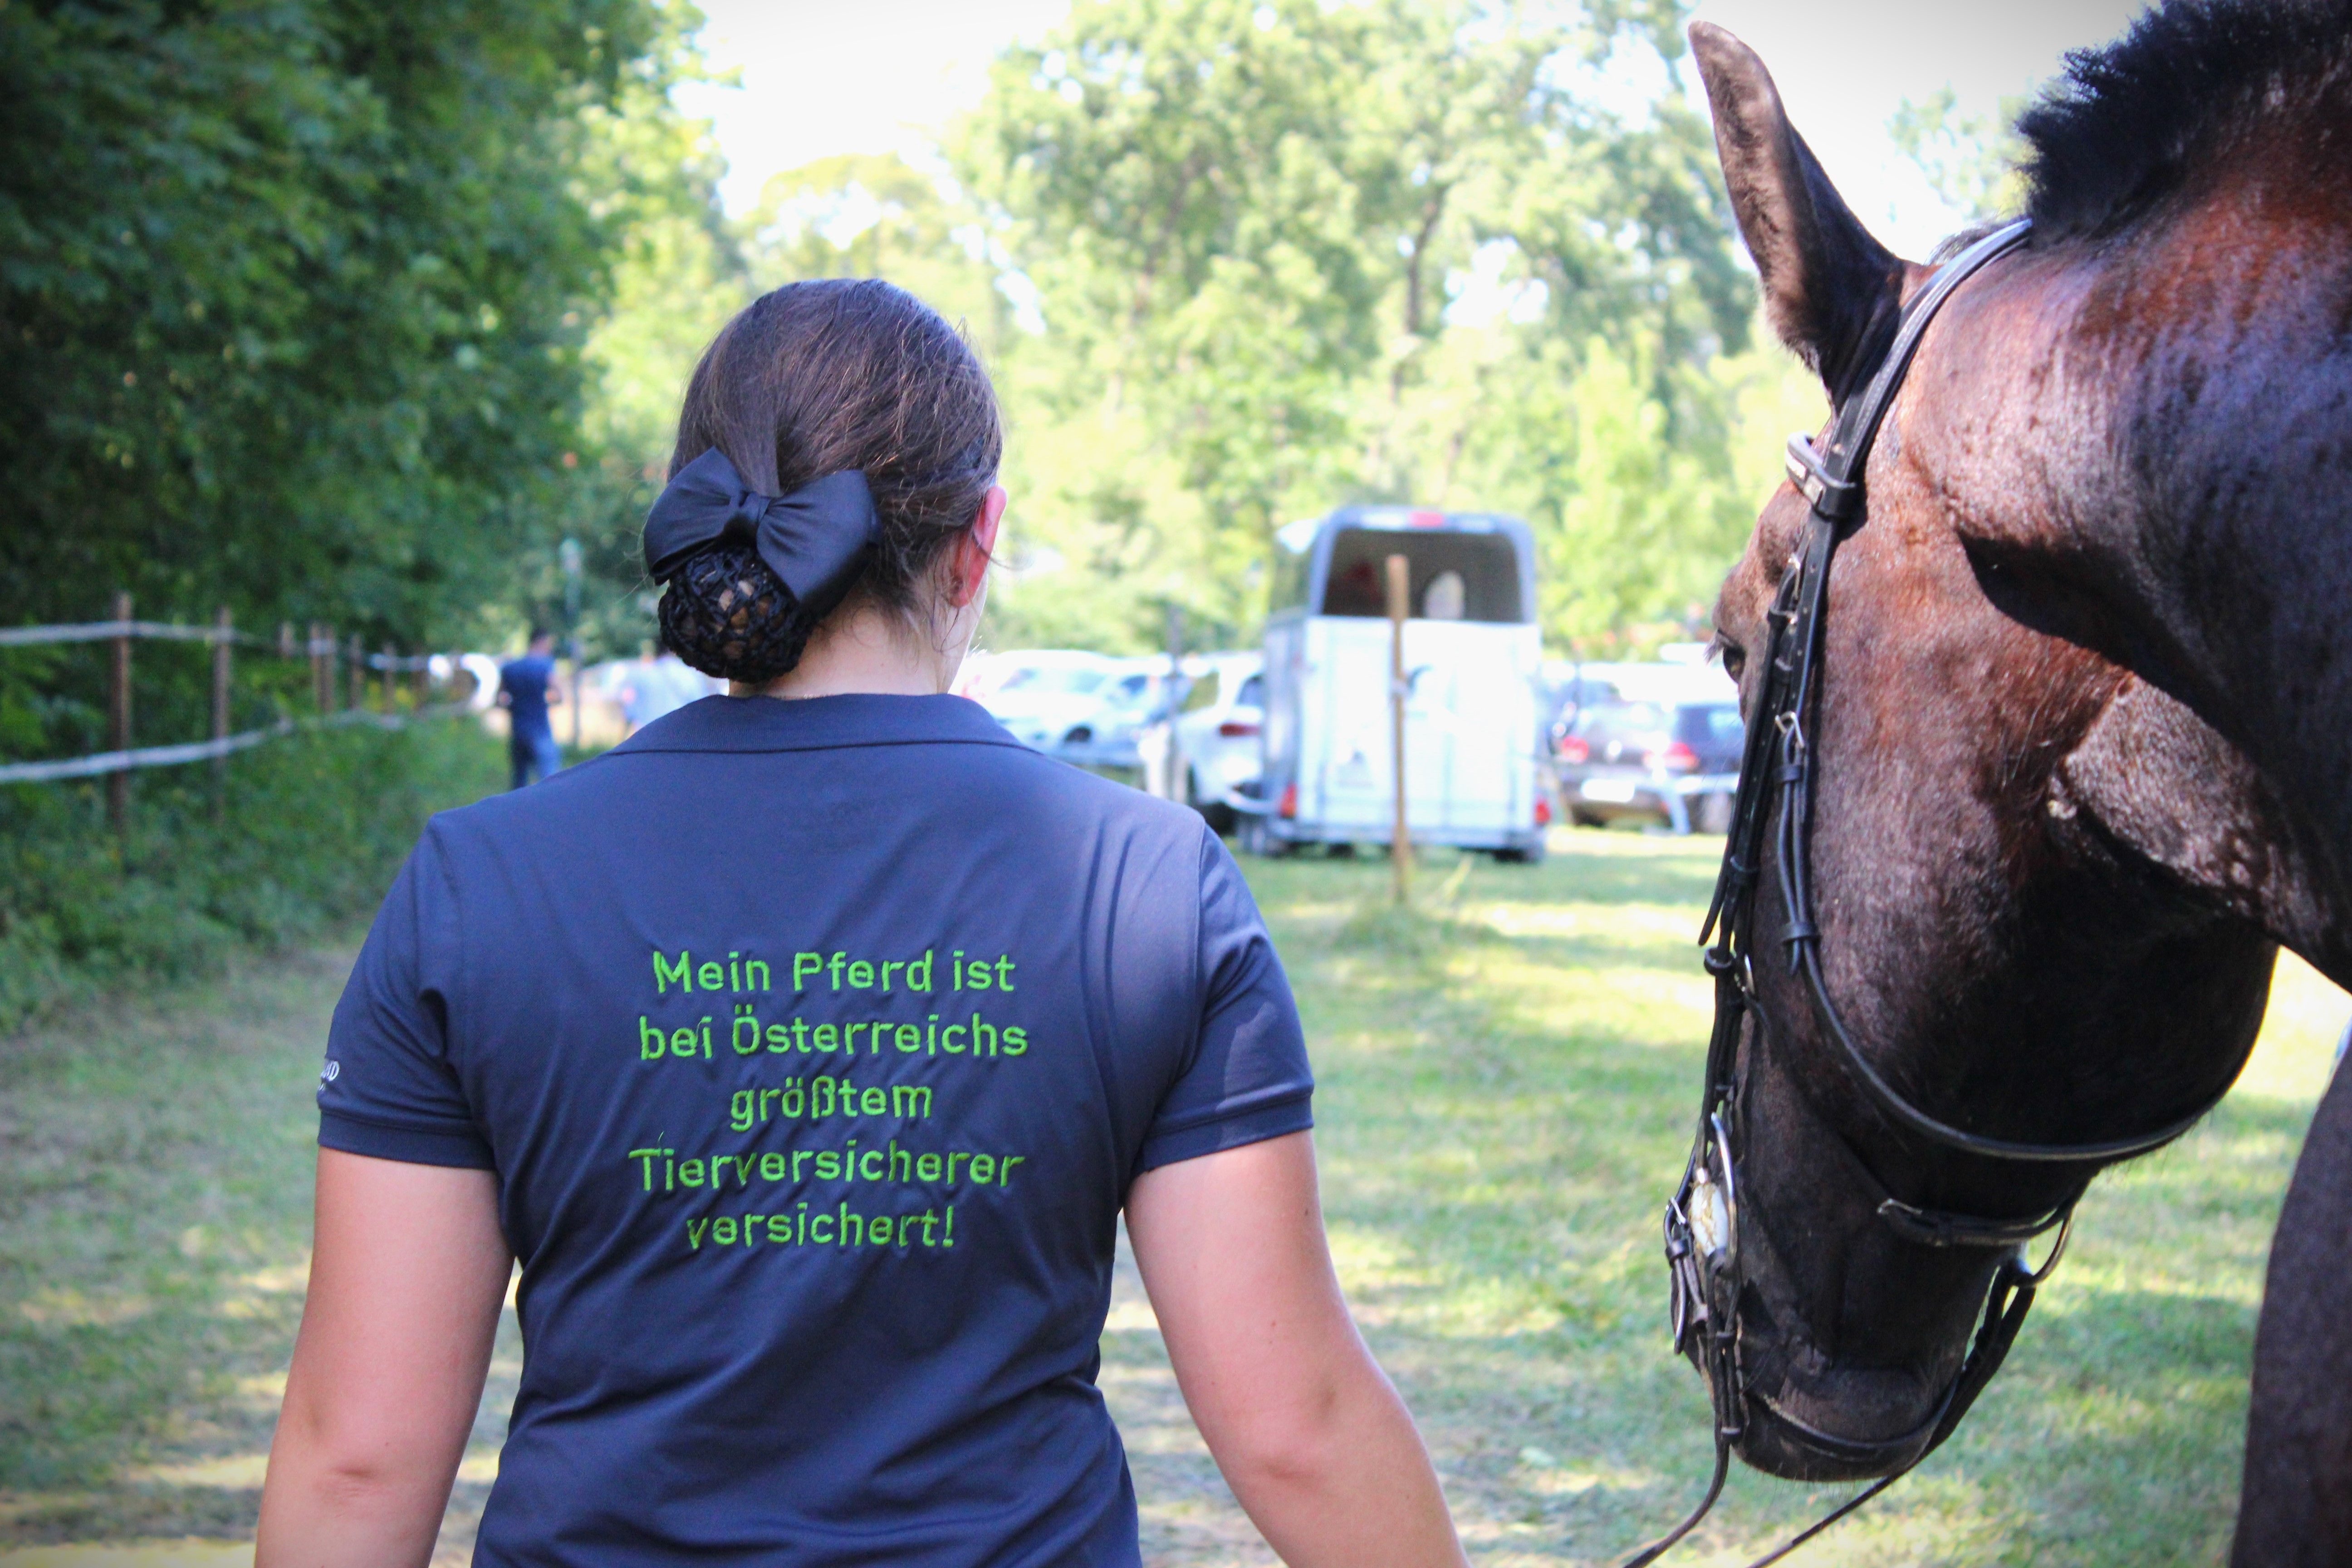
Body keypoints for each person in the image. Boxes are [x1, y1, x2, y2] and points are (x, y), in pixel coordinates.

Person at [256, 279, 1468, 1568]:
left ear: (696, 528)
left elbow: (359, 1457)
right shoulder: (1151, 887)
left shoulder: (477, 885)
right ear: (978, 539)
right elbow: (1299, 1427)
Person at [495, 628, 563, 789]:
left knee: (519, 782)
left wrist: (514, 707)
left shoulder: (509, 668)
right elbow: (559, 696)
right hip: (540, 730)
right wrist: (545, 703)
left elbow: (499, 701)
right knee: (550, 780)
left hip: (518, 731)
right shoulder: (545, 667)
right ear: (542, 642)